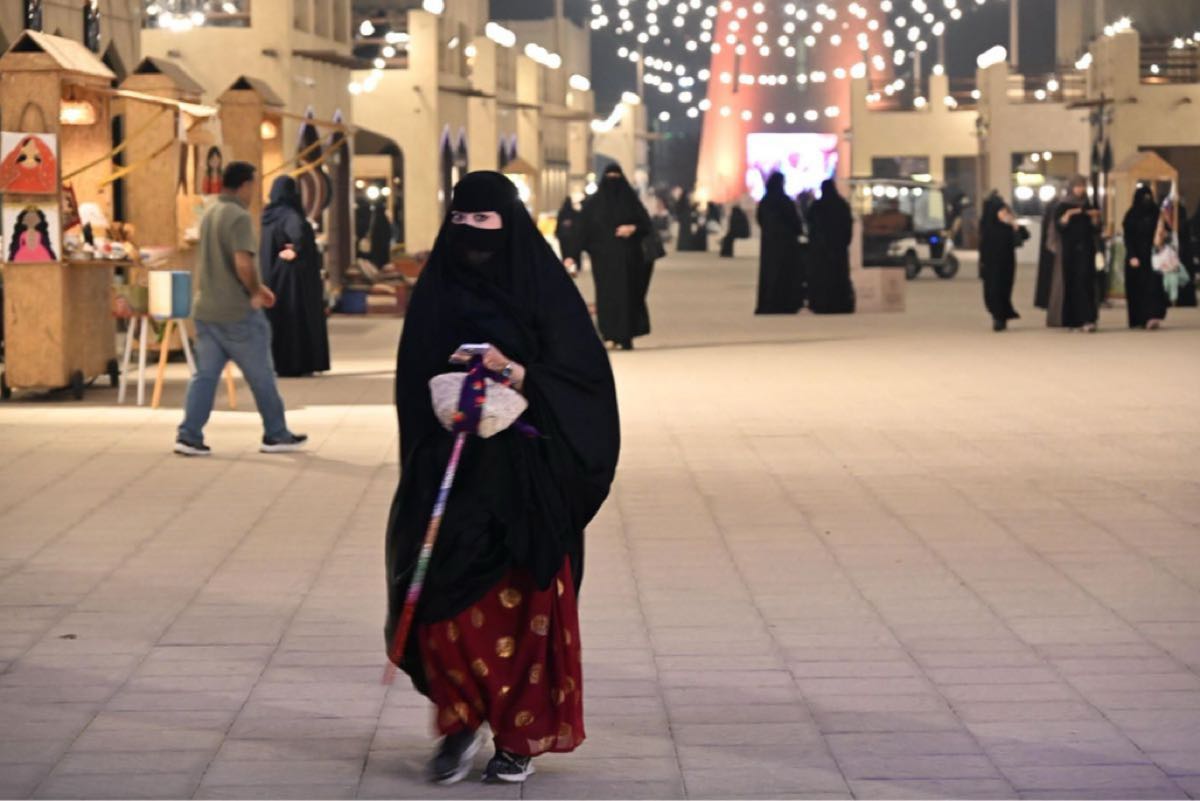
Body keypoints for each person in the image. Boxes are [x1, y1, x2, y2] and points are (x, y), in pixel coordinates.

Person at [386, 171, 619, 786]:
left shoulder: (544, 289)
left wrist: (513, 371)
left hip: (524, 481)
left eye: (483, 221)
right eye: (460, 220)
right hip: (450, 475)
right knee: (444, 604)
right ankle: (460, 719)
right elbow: (413, 377)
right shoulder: (439, 287)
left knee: (521, 608)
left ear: (508, 224)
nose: (470, 232)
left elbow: (584, 379)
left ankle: (518, 735)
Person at [175, 162, 307, 456]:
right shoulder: (238, 216)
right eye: (253, 186)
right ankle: (276, 433)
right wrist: (256, 291)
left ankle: (189, 435)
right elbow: (243, 262)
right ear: (245, 185)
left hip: (206, 309)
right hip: (236, 312)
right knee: (262, 376)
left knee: (204, 377)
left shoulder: (210, 212)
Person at [580, 163, 659, 350]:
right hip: (604, 262)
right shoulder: (593, 205)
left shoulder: (631, 201)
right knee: (607, 297)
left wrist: (632, 228)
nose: (613, 181)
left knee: (628, 296)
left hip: (630, 260)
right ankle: (610, 333)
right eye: (610, 177)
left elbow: (646, 225)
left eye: (616, 176)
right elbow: (582, 231)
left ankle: (626, 335)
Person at [260, 175, 330, 376]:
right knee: (296, 317)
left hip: (273, 275)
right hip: (291, 277)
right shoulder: (290, 214)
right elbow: (298, 234)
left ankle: (280, 363)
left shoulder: (269, 215)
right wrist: (297, 249)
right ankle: (297, 363)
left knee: (280, 317)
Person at [1045, 174, 1101, 331]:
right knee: (1071, 282)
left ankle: (1087, 319)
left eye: (1082, 186)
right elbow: (1059, 227)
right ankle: (1072, 320)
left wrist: (1095, 219)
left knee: (1086, 282)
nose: (1080, 189)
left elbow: (1095, 229)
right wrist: (1069, 215)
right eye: (1077, 186)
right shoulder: (1062, 205)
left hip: (1086, 249)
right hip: (1069, 250)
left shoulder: (1088, 204)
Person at [755, 173, 805, 314]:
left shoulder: (765, 202)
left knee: (770, 274)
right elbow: (795, 222)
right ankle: (785, 303)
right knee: (785, 274)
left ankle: (769, 303)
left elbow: (760, 220)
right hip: (787, 245)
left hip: (769, 245)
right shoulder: (785, 201)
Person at [1122, 185, 1170, 330]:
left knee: (1153, 288)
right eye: (1144, 198)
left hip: (1153, 258)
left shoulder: (1156, 213)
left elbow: (1166, 231)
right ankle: (1139, 319)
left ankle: (1152, 317)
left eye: (1149, 197)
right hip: (1137, 258)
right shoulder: (1131, 216)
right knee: (1137, 288)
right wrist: (1132, 256)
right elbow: (1128, 238)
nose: (1147, 201)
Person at [806, 178, 855, 314]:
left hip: (820, 250)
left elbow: (810, 224)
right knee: (838, 275)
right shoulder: (842, 205)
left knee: (822, 277)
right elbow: (848, 226)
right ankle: (840, 303)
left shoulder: (817, 206)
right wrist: (844, 242)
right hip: (838, 248)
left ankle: (821, 303)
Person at [979, 191, 1023, 331]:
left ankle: (1002, 316)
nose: (1004, 214)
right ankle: (997, 316)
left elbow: (1022, 239)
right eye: (1001, 212)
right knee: (993, 290)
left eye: (1005, 211)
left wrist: (1015, 226)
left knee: (1005, 289)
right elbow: (983, 247)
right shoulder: (989, 227)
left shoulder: (1008, 227)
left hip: (1007, 263)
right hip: (991, 264)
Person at [554, 195, 583, 274]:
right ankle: (574, 268)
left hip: (563, 238)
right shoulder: (575, 213)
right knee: (574, 253)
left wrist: (557, 233)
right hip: (573, 237)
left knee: (565, 253)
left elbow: (558, 225)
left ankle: (567, 267)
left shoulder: (561, 213)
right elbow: (578, 225)